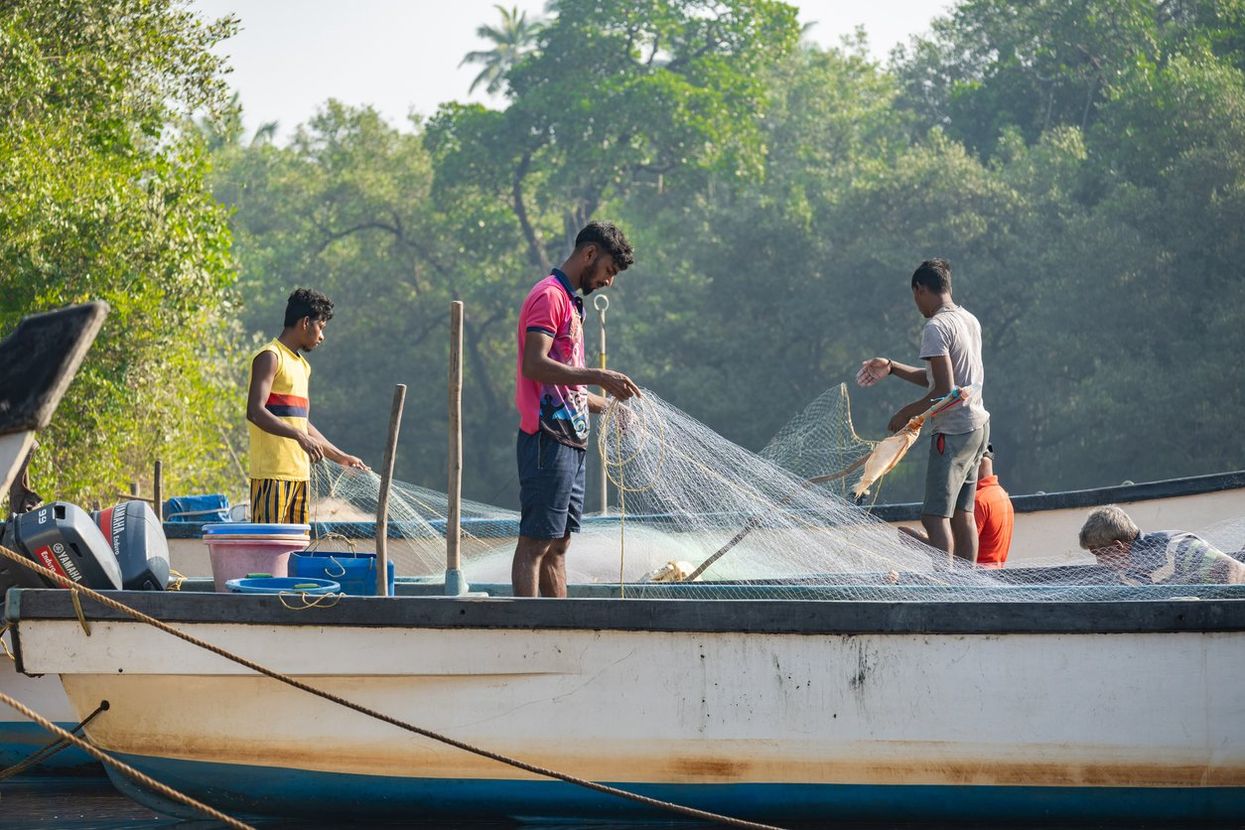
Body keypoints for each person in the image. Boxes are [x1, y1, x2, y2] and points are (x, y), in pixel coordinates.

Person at [513, 221, 641, 597]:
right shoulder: (549, 296)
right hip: (546, 439)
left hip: (572, 441)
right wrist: (599, 374)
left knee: (559, 544)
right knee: (536, 542)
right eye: (608, 271)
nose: (608, 282)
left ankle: (558, 631)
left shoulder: (572, 304)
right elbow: (534, 366)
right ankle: (528, 635)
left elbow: (568, 387)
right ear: (589, 254)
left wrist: (610, 406)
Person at [857, 258, 991, 562]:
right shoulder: (968, 319)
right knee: (961, 513)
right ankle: (966, 586)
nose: (917, 304)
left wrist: (906, 413)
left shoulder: (936, 326)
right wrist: (891, 368)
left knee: (934, 516)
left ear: (920, 289)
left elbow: (945, 390)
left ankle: (943, 587)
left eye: (915, 297)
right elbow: (936, 378)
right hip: (979, 427)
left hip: (954, 430)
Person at [246, 288, 366, 524]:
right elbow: (255, 412)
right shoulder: (270, 356)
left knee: (296, 548)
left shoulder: (303, 367)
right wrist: (299, 436)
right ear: (305, 322)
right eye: (321, 327)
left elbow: (302, 423)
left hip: (300, 476)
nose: (321, 336)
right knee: (270, 549)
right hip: (272, 475)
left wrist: (340, 457)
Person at [898, 443, 1014, 566]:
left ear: (973, 462)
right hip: (992, 579)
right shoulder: (1002, 496)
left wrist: (918, 540)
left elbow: (958, 552)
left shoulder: (977, 501)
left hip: (975, 578)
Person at [1078, 505, 1245, 585]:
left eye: (1099, 554)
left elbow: (1231, 569)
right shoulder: (1127, 574)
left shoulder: (1174, 547)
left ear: (1118, 547)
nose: (1098, 562)